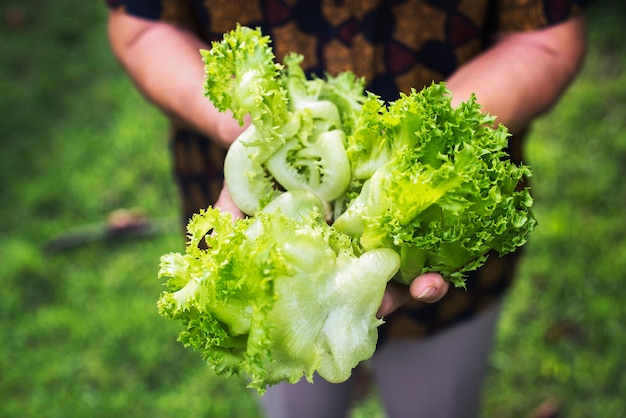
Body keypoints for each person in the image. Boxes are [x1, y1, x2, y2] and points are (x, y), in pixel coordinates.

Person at [105, 1, 588, 417]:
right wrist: (251, 126)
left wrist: (421, 148)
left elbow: (544, 36)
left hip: (441, 227)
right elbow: (145, 23)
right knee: (291, 384)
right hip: (266, 253)